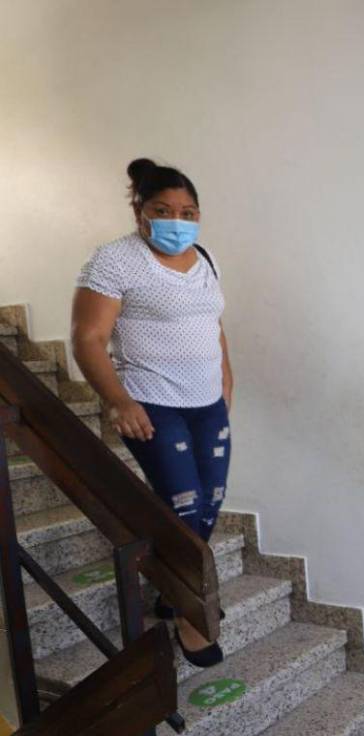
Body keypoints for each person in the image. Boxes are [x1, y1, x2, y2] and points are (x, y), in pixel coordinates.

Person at [71, 158, 233, 667]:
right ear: (139, 210)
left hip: (207, 404)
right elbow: (87, 338)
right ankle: (189, 613)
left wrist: (226, 383)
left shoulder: (205, 258)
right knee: (183, 504)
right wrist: (119, 401)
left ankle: (172, 588)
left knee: (210, 504)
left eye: (187, 212)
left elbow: (213, 324)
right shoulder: (115, 260)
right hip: (152, 402)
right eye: (163, 210)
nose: (176, 221)